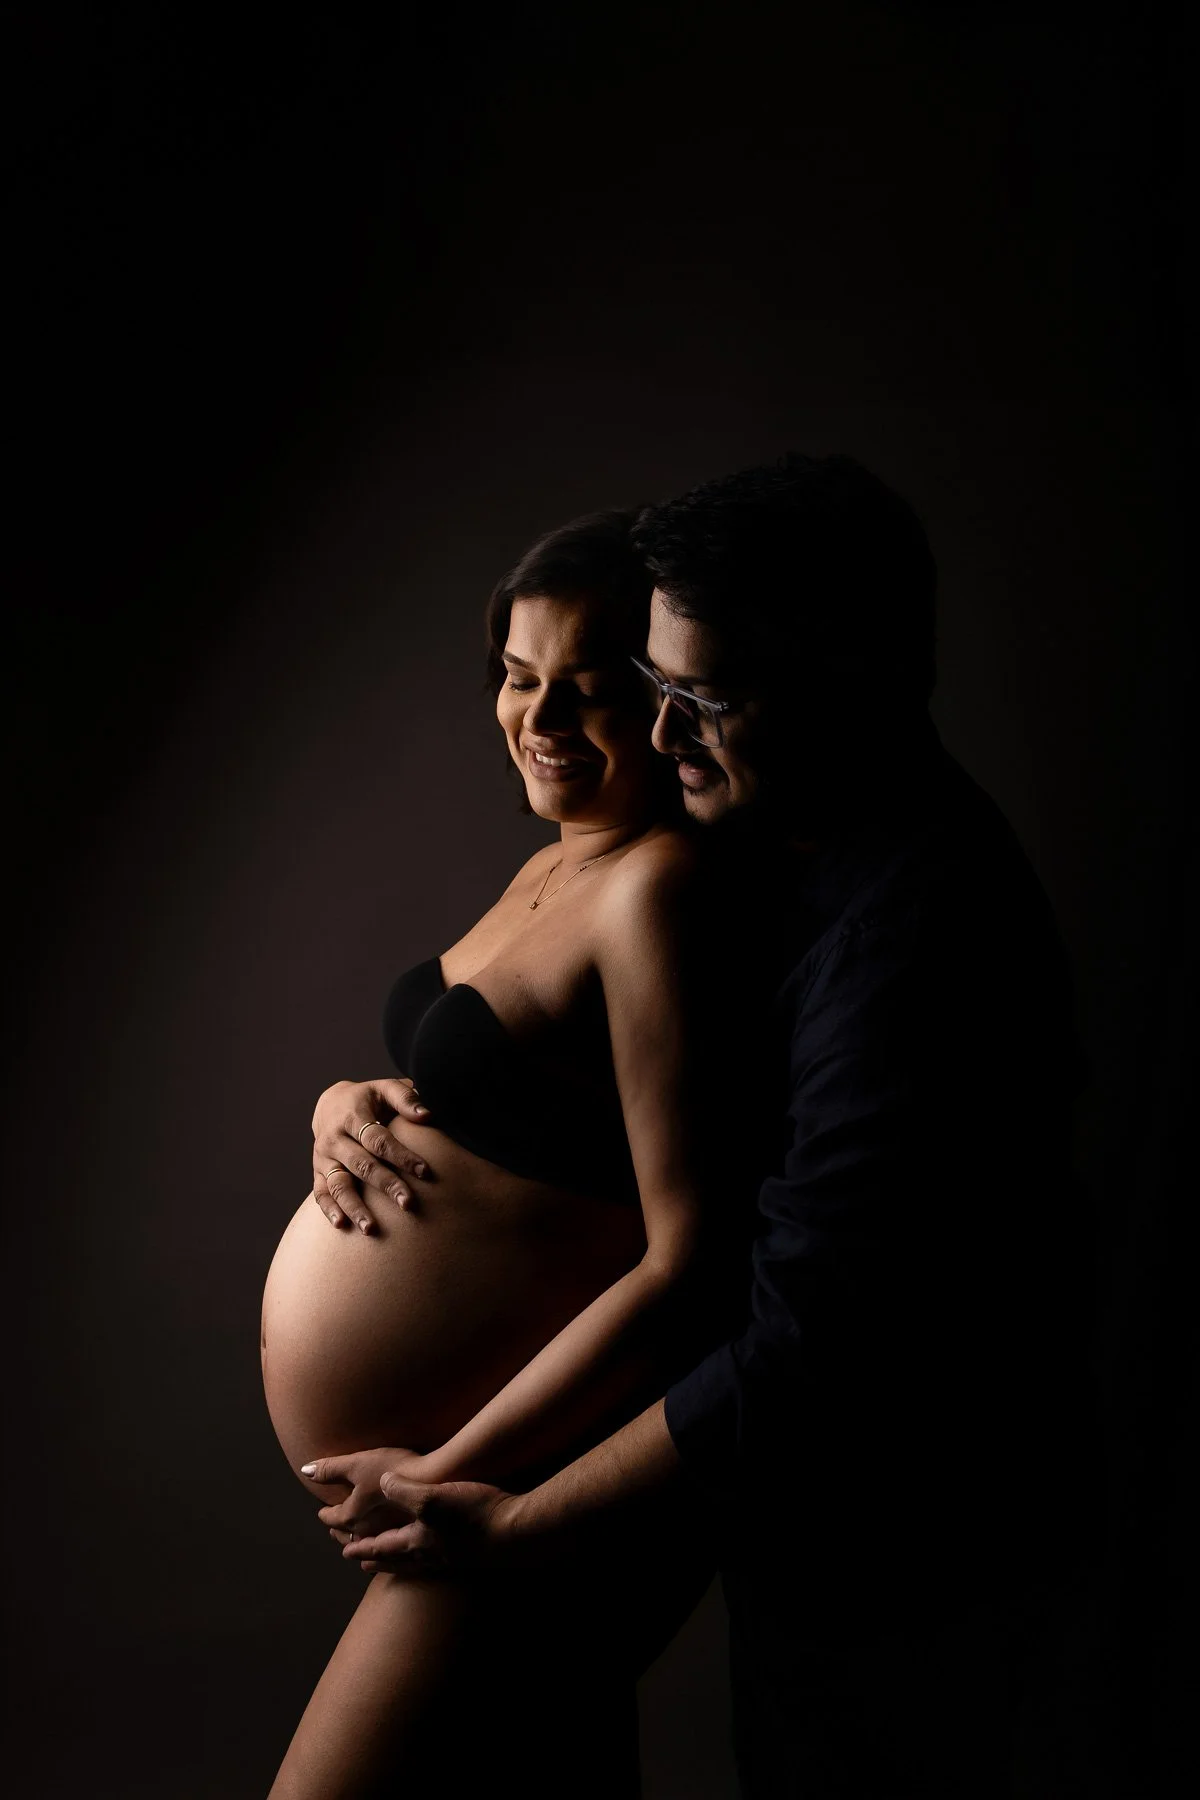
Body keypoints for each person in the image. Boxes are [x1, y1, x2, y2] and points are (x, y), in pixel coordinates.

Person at [323, 453, 1097, 1798]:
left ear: (846, 684)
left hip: (902, 1556)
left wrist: (513, 1523)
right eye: (659, 690)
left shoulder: (912, 940)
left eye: (707, 698)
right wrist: (363, 1104)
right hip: (765, 1531)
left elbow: (803, 1336)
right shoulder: (775, 851)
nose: (666, 738)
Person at [260, 509, 777, 1798]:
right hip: (483, 1489)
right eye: (517, 674)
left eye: (587, 687)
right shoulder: (561, 863)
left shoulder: (656, 888)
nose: (541, 715)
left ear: (660, 704)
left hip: (529, 1491)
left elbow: (694, 1261)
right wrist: (342, 1098)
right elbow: (505, 1096)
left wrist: (453, 1475)